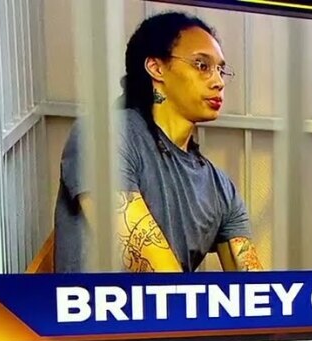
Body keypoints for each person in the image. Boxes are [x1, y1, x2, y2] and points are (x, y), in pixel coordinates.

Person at [53, 11, 263, 274]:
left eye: (221, 70)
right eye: (202, 65)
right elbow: (161, 280)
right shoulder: (103, 135)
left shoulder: (220, 187)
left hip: (175, 302)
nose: (218, 81)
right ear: (156, 68)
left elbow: (254, 287)